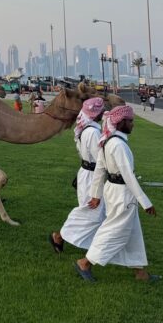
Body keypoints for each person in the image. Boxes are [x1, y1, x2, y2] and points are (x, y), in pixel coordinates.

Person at [73, 105, 159, 283]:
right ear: (121, 123)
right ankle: (85, 262)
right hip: (122, 193)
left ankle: (140, 272)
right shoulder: (118, 145)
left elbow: (99, 170)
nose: (133, 125)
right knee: (115, 231)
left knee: (133, 231)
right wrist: (146, 203)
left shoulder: (108, 141)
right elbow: (128, 176)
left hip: (114, 190)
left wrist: (96, 194)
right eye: (131, 121)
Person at [49, 97, 106, 254]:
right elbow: (100, 160)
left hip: (87, 173)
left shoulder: (86, 129)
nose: (102, 113)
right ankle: (59, 236)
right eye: (101, 110)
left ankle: (97, 248)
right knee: (90, 212)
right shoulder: (93, 132)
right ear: (96, 113)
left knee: (97, 212)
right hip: (93, 176)